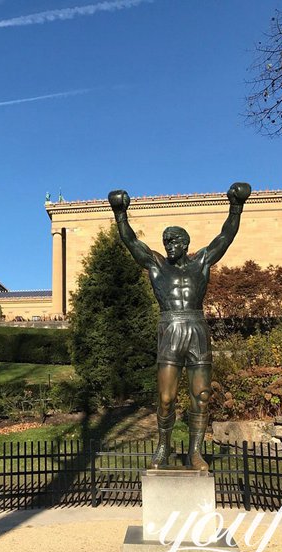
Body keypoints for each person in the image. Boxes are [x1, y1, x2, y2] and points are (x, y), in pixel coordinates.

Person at [108, 182, 251, 469]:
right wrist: (120, 213)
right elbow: (132, 242)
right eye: (166, 243)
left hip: (197, 329)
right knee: (165, 397)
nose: (169, 246)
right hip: (170, 328)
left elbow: (226, 236)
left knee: (202, 396)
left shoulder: (202, 262)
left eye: (173, 242)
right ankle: (163, 447)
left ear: (185, 243)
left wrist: (236, 206)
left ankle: (195, 452)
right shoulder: (156, 265)